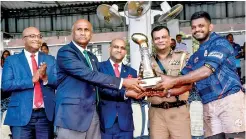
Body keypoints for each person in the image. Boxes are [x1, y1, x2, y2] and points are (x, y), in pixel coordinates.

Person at [154, 11, 245, 139]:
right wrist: (165, 92)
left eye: (201, 26)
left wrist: (172, 81)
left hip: (229, 100)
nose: (197, 29)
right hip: (208, 104)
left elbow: (207, 70)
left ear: (210, 27)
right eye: (194, 27)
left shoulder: (220, 43)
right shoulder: (195, 56)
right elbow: (184, 80)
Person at [54, 19, 144, 139]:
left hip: (93, 116)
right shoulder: (66, 52)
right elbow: (88, 75)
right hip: (72, 117)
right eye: (79, 29)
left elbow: (98, 86)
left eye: (86, 30)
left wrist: (127, 93)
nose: (83, 33)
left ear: (91, 34)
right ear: (72, 32)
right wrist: (123, 82)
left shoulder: (92, 57)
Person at [1, 27, 57, 139]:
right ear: (23, 39)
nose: (37, 39)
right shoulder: (12, 60)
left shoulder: (50, 59)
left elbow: (58, 82)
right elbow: (6, 85)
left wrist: (46, 78)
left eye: (39, 36)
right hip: (20, 114)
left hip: (45, 115)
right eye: (32, 36)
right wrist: (31, 80)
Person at [146, 26, 191, 139]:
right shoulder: (146, 61)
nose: (160, 40)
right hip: (156, 113)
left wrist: (167, 90)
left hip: (178, 111)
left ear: (170, 39)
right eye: (157, 38)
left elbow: (189, 83)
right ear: (153, 41)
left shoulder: (183, 57)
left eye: (163, 37)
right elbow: (143, 85)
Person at [98, 38, 137, 139]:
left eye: (122, 48)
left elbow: (137, 95)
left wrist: (145, 89)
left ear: (125, 52)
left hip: (126, 124)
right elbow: (102, 90)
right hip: (105, 123)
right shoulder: (99, 68)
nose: (119, 50)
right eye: (116, 47)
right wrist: (126, 93)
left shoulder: (132, 72)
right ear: (109, 48)